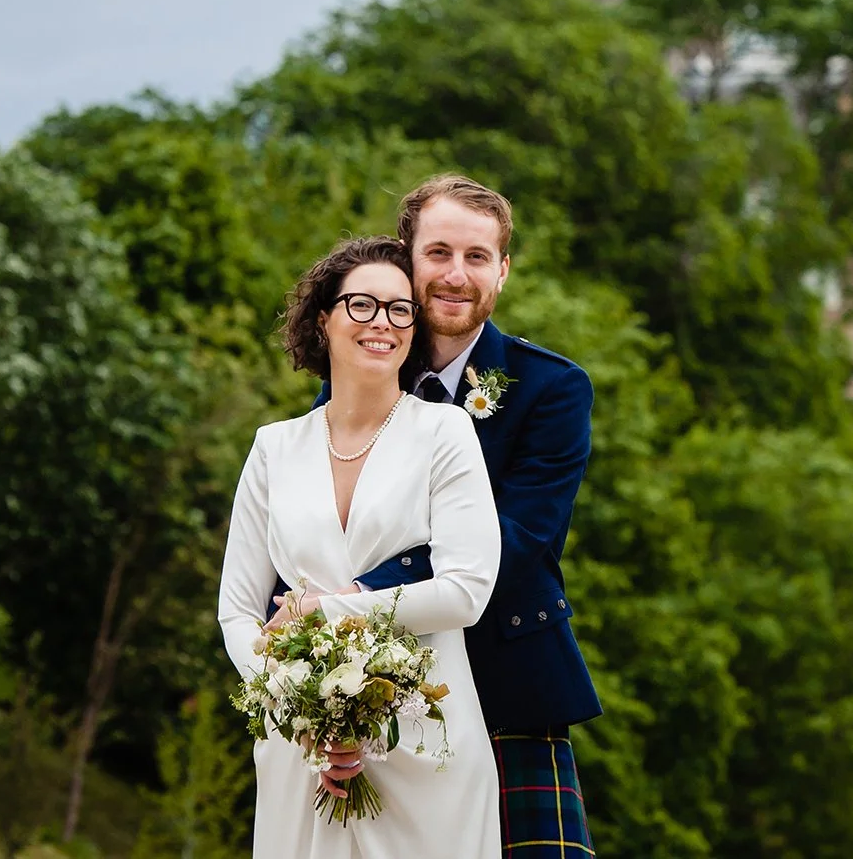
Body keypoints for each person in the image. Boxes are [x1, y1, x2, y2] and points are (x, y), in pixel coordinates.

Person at [321, 175, 602, 856]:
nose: (455, 274)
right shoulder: (355, 376)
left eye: (477, 257)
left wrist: (364, 593)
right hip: (377, 689)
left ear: (502, 271)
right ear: (404, 259)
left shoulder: (550, 390)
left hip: (504, 685)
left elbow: (516, 540)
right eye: (438, 252)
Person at [218, 235, 502, 858]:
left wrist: (324, 610)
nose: (383, 324)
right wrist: (301, 705)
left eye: (401, 309)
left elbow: (465, 591)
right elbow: (237, 610)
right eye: (363, 306)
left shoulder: (445, 432)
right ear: (324, 319)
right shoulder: (274, 447)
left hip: (424, 741)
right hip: (301, 751)